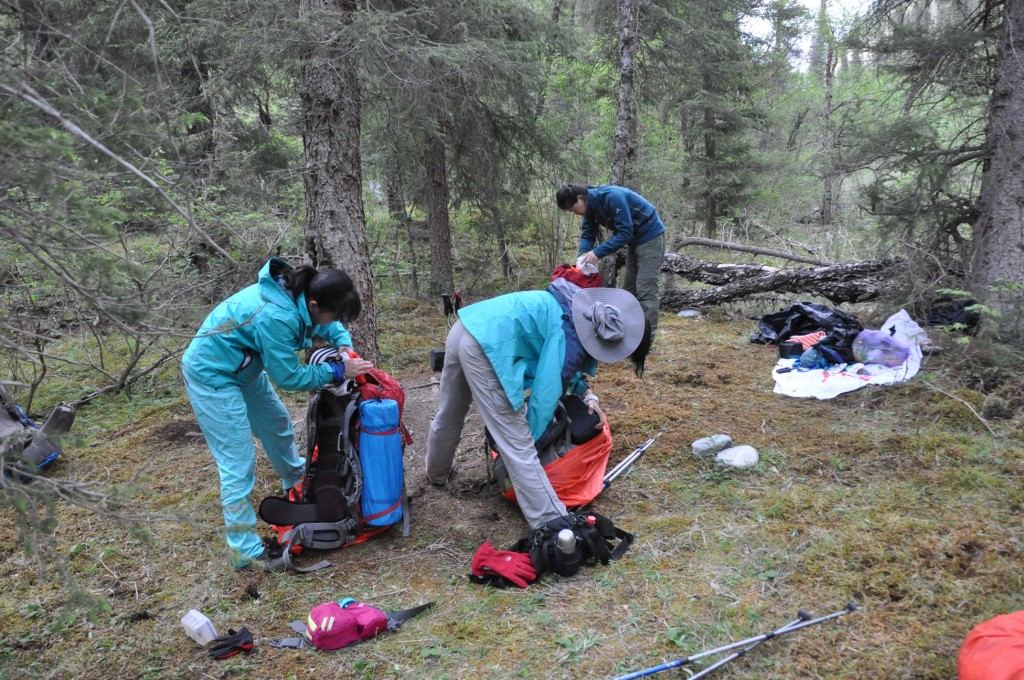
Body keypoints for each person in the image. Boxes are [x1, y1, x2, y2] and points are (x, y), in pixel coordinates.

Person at [182, 257, 374, 571]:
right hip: (212, 375)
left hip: (244, 366)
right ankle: (245, 552)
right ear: (313, 304)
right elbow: (289, 377)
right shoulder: (276, 315)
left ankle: (295, 483)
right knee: (237, 462)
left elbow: (329, 320)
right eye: (333, 312)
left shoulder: (306, 293)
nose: (335, 319)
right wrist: (338, 370)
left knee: (277, 425)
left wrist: (342, 345)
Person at [425, 279, 651, 530]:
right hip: (487, 347)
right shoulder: (570, 336)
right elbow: (544, 400)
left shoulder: (579, 309)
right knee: (518, 443)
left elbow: (565, 357)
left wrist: (587, 394)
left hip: (466, 327)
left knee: (450, 412)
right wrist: (530, 441)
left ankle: (437, 473)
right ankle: (551, 521)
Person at [556, 183, 667, 336]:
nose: (575, 213)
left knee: (645, 289)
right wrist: (582, 255)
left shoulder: (612, 197)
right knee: (629, 290)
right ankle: (628, 334)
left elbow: (625, 233)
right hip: (634, 242)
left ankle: (647, 339)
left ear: (580, 198)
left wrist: (597, 253)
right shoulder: (589, 209)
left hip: (650, 237)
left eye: (573, 209)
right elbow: (588, 234)